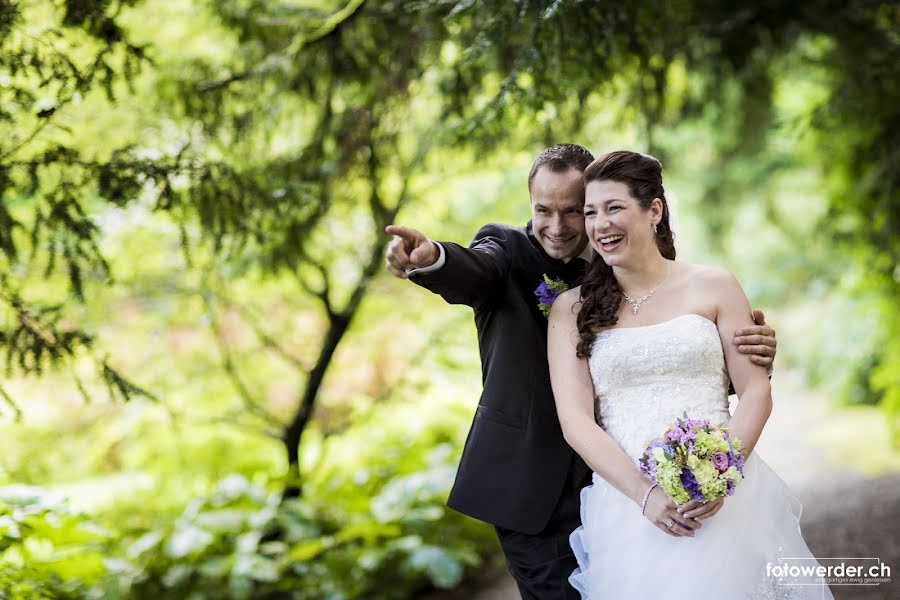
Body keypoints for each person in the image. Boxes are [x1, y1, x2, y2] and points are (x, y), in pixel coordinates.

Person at [384, 144, 778, 599]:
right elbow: (474, 271)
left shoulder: (634, 258)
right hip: (536, 488)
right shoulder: (508, 252)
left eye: (574, 211)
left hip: (630, 480)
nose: (557, 226)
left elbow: (679, 361)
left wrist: (748, 349)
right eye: (542, 211)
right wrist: (430, 257)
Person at [548, 150, 832, 599]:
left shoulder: (715, 285)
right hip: (629, 505)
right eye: (591, 212)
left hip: (726, 495)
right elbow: (575, 420)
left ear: (654, 210)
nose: (600, 225)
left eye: (614, 208)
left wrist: (719, 476)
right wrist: (646, 496)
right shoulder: (571, 309)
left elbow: (756, 390)